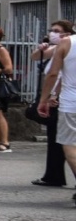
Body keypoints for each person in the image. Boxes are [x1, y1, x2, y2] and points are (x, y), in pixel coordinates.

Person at [32, 21, 71, 187]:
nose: (52, 33)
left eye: (57, 31)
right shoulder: (56, 49)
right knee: (55, 140)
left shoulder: (66, 48)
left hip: (59, 100)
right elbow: (34, 57)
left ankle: (54, 176)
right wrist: (40, 49)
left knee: (62, 142)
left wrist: (53, 96)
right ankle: (53, 174)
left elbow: (58, 76)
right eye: (51, 30)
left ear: (66, 33)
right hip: (55, 99)